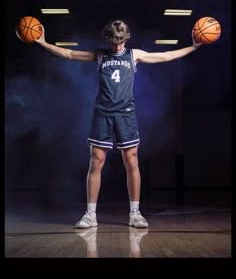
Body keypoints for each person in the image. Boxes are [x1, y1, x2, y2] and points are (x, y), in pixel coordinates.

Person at [35, 20, 202, 229]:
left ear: (126, 38)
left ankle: (135, 213)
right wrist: (43, 43)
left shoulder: (134, 55)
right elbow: (69, 54)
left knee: (131, 161)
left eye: (121, 41)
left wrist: (194, 46)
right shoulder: (100, 55)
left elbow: (167, 56)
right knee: (96, 162)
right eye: (114, 42)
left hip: (126, 114)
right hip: (102, 113)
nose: (118, 46)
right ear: (107, 39)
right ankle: (90, 215)